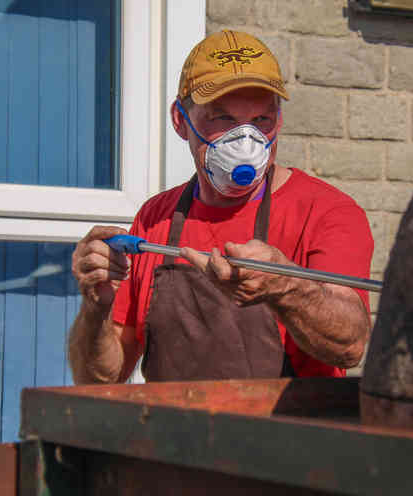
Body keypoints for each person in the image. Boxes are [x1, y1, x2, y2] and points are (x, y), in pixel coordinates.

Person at [68, 30, 373, 383]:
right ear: (181, 121)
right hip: (172, 434)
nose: (246, 141)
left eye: (261, 120)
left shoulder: (327, 212)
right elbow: (99, 380)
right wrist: (95, 308)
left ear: (280, 119)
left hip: (286, 436)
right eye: (223, 118)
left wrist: (285, 286)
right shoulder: (155, 219)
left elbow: (350, 345)